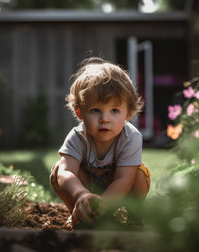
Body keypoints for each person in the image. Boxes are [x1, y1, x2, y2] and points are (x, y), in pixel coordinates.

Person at [49, 57, 151, 225]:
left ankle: (133, 217)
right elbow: (66, 173)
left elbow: (123, 180)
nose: (105, 119)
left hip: (117, 187)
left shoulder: (131, 137)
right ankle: (79, 211)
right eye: (96, 110)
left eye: (114, 110)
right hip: (87, 186)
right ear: (80, 112)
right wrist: (81, 194)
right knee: (58, 171)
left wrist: (106, 203)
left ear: (128, 113)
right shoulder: (78, 137)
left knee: (139, 174)